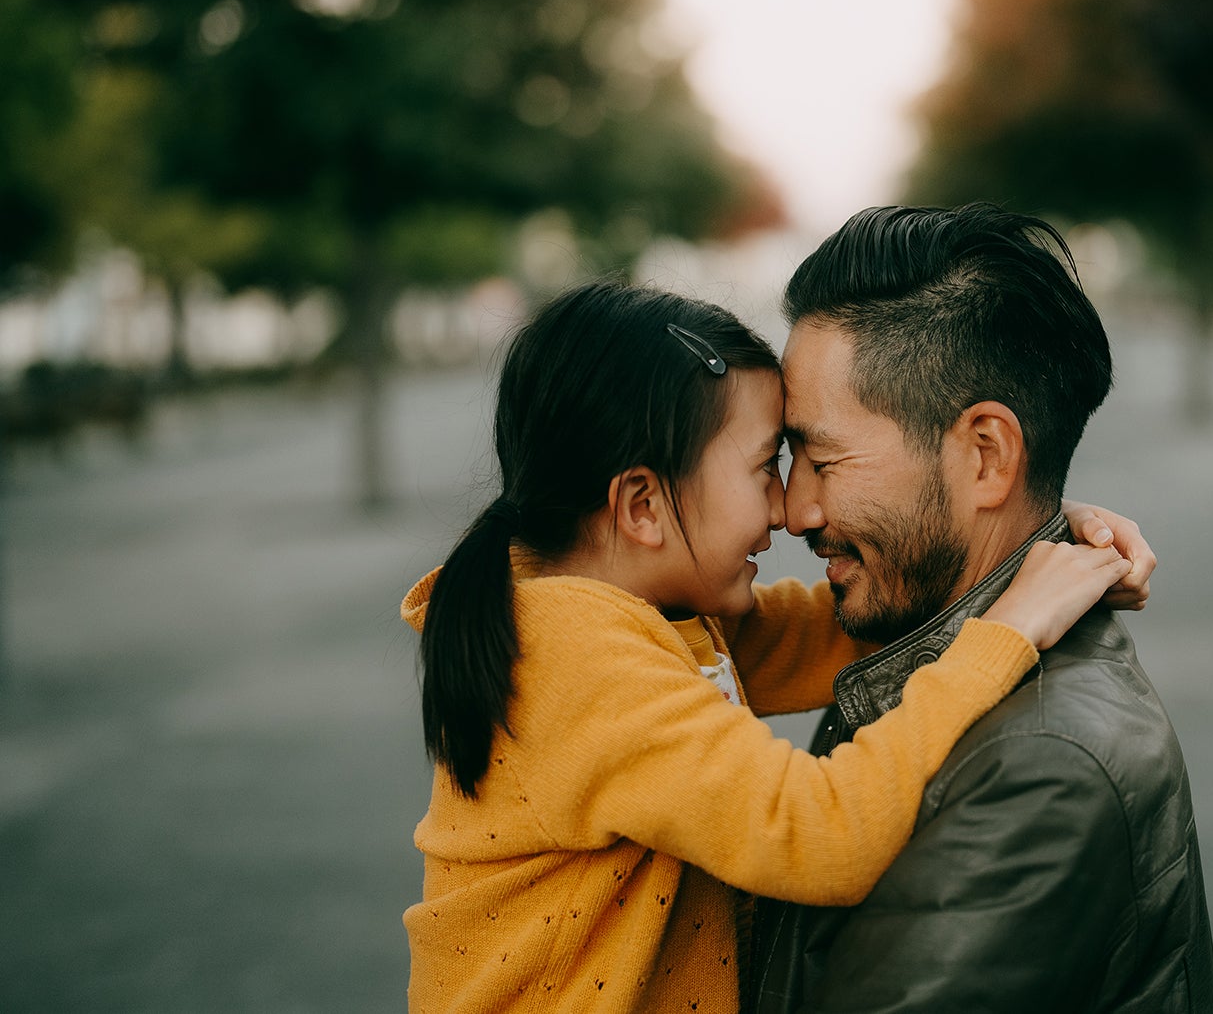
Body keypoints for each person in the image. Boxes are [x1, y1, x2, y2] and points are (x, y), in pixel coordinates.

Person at [399, 280, 1145, 1012]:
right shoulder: (574, 657)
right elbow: (822, 833)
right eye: (766, 467)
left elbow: (852, 625)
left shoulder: (640, 615)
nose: (786, 509)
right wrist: (1008, 631)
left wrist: (1023, 521)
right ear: (642, 505)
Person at [748, 204, 1213, 1013]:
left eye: (821, 459)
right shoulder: (921, 625)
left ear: (986, 454)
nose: (793, 511)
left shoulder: (1041, 773)